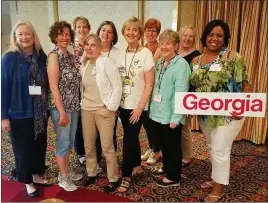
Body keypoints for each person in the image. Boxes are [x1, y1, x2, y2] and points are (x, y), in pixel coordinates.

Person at [190, 19, 251, 202]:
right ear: (205, 36)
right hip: (206, 115)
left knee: (220, 149)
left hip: (229, 114)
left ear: (225, 39)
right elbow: (193, 87)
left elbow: (245, 85)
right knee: (211, 147)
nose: (214, 38)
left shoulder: (233, 57)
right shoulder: (196, 60)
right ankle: (215, 177)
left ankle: (218, 188)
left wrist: (243, 107)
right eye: (211, 34)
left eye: (219, 35)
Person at [1, 20, 50, 197]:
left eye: (27, 33)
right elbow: (3, 87)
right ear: (15, 37)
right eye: (20, 34)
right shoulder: (9, 58)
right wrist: (3, 116)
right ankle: (27, 181)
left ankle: (36, 173)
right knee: (23, 149)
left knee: (39, 145)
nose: (24, 37)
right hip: (19, 112)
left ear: (33, 35)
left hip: (39, 112)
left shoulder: (41, 56)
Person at [79, 34, 122, 193]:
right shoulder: (85, 65)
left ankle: (113, 178)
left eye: (93, 45)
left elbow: (117, 86)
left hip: (104, 110)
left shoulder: (106, 62)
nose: (89, 48)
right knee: (89, 145)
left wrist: (110, 107)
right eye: (87, 45)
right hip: (86, 110)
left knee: (107, 147)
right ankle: (91, 172)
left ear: (99, 48)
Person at [117, 17, 155, 193]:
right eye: (128, 29)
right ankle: (137, 165)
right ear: (123, 32)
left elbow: (149, 84)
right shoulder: (120, 53)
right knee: (130, 136)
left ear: (140, 33)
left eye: (135, 30)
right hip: (122, 105)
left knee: (128, 138)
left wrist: (140, 107)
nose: (131, 33)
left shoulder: (145, 53)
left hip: (138, 106)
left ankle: (126, 175)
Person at [149, 29, 191, 187]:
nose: (164, 46)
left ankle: (174, 177)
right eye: (162, 43)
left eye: (168, 43)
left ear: (176, 45)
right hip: (158, 113)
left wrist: (176, 118)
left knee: (173, 147)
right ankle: (167, 168)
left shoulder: (181, 65)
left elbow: (181, 93)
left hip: (171, 115)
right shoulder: (160, 61)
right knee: (165, 145)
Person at [47, 21, 82, 192]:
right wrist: (61, 112)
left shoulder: (69, 55)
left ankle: (66, 170)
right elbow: (53, 86)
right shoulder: (54, 56)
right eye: (61, 34)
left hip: (74, 105)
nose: (64, 37)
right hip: (61, 108)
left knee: (70, 141)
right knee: (63, 141)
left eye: (67, 34)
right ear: (55, 36)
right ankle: (62, 177)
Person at [96, 20, 121, 152]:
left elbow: (119, 80)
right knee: (94, 134)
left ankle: (112, 160)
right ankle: (97, 160)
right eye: (103, 30)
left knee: (110, 132)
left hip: (111, 102)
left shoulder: (119, 54)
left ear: (113, 36)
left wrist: (114, 104)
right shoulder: (92, 50)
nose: (106, 34)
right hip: (94, 101)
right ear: (98, 32)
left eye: (109, 32)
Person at [178, 25, 201, 167]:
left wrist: (192, 101)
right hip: (171, 95)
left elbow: (196, 80)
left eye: (190, 36)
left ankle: (186, 156)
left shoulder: (196, 55)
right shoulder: (174, 51)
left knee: (184, 128)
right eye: (185, 35)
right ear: (180, 36)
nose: (187, 38)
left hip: (186, 96)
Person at [141, 18, 162, 165]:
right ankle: (151, 147)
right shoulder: (142, 48)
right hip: (144, 91)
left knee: (154, 123)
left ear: (158, 33)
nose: (150, 33)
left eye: (153, 30)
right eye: (148, 30)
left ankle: (156, 151)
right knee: (146, 122)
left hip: (157, 92)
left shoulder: (162, 48)